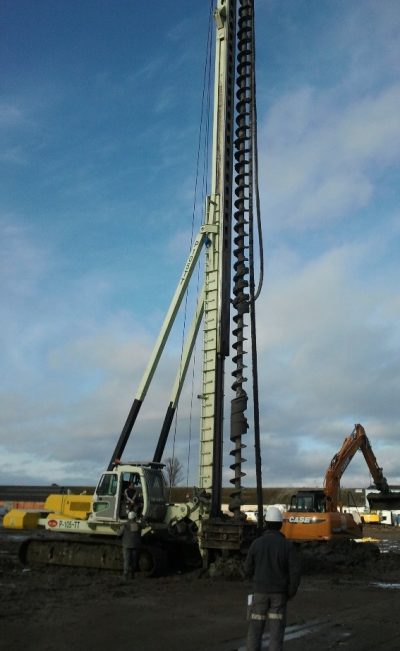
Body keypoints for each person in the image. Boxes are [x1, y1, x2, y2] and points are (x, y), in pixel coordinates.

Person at [244, 506, 301, 651]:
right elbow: (295, 572)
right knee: (276, 633)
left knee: (255, 630)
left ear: (266, 523)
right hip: (279, 595)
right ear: (280, 525)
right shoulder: (287, 546)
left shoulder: (256, 544)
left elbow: (247, 569)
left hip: (259, 593)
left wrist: (255, 583)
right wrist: (290, 592)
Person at [120, 510, 142, 580]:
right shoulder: (137, 525)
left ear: (128, 517)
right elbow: (137, 532)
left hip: (126, 545)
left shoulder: (125, 525)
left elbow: (119, 533)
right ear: (135, 517)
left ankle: (125, 575)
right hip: (135, 545)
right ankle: (132, 575)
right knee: (133, 560)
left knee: (127, 560)